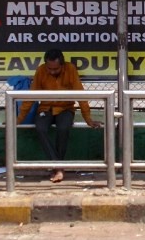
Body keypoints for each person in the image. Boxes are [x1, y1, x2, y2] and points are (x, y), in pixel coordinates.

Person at [16, 49, 102, 183]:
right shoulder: (40, 70)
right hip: (46, 108)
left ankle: (57, 167)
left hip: (65, 108)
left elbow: (81, 94)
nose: (51, 71)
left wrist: (88, 119)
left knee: (63, 128)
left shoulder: (70, 69)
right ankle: (59, 166)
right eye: (49, 68)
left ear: (62, 64)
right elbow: (30, 97)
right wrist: (18, 120)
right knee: (40, 128)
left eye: (55, 69)